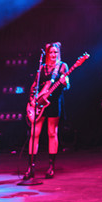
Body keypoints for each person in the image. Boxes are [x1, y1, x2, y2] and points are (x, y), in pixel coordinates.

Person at [22, 41, 69, 181]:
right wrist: (32, 99)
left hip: (54, 102)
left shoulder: (62, 66)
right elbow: (34, 86)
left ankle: (51, 166)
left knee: (52, 133)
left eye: (56, 52)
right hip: (39, 103)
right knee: (34, 134)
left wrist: (65, 82)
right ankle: (31, 167)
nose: (53, 54)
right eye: (51, 52)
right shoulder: (42, 68)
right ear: (47, 54)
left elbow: (67, 84)